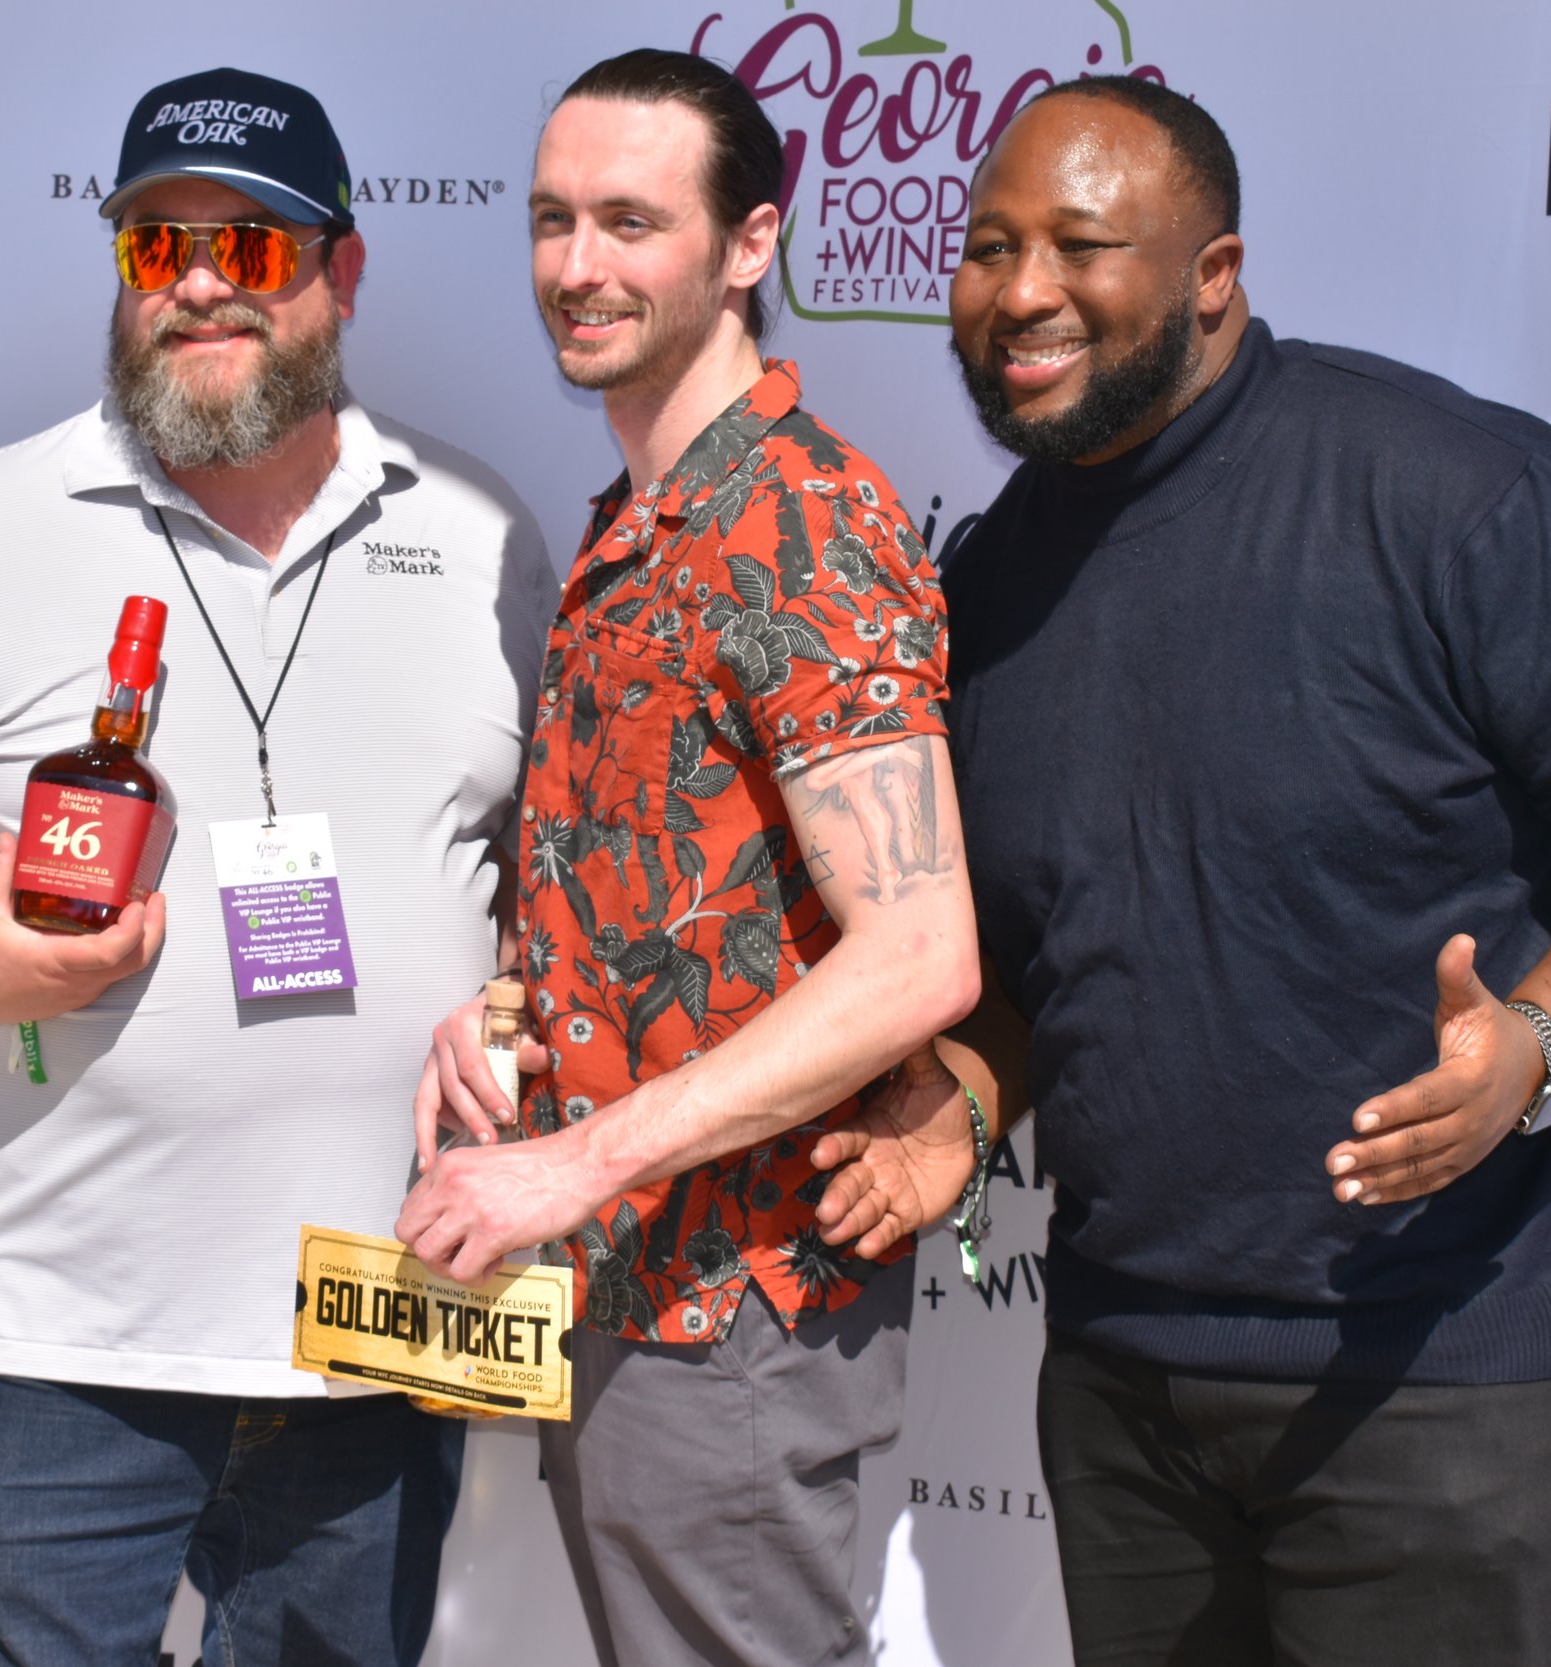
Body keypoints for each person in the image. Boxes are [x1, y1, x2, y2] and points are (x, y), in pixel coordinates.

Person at [809, 74, 1551, 1667]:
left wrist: (1533, 1045)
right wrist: (971, 1102)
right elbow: (1053, 948)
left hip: (1444, 1374)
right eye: (989, 248)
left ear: (1214, 274)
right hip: (1126, 1374)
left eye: (1081, 244)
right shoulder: (990, 579)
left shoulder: (1454, 489)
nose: (1022, 290)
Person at [0, 66, 554, 1667]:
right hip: (63, 1348)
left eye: (250, 247)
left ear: (342, 271)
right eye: (155, 245)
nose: (198, 284)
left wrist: (520, 999)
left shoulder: (481, 534)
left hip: (389, 1324)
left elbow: (546, 861)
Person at [393, 48, 980, 1667]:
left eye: (631, 222)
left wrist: (574, 1165)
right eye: (552, 220)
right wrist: (506, 1008)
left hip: (737, 1311)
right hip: (628, 1290)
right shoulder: (640, 516)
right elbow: (671, 881)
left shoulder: (799, 523)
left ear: (748, 244)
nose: (578, 265)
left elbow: (920, 954)